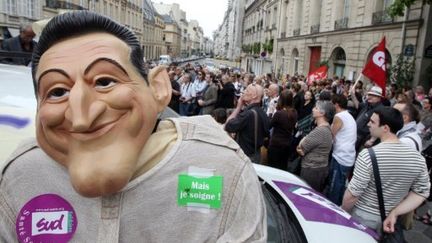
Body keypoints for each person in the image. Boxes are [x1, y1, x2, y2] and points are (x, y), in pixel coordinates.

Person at [0, 11, 266, 242]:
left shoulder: (222, 168)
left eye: (104, 82)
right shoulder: (20, 177)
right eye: (57, 91)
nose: (81, 117)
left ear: (158, 88)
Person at [342, 106, 430, 238]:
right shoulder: (418, 159)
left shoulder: (368, 155)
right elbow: (422, 192)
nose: (368, 124)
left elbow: (353, 195)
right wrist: (395, 212)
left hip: (363, 217)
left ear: (385, 128)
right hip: (391, 219)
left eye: (372, 122)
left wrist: (342, 211)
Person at [225, 84, 270, 163]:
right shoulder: (262, 113)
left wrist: (239, 106)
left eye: (247, 90)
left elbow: (228, 125)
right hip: (256, 155)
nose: (243, 92)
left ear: (254, 96)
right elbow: (266, 135)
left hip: (245, 157)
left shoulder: (248, 114)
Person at [296, 101, 335, 192]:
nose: (313, 109)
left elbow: (300, 149)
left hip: (312, 170)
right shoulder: (325, 128)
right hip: (316, 169)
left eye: (316, 108)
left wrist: (303, 140)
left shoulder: (320, 131)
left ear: (322, 113)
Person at [327, 94, 357, 205]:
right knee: (340, 186)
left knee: (334, 187)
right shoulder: (348, 115)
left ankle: (330, 210)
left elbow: (331, 135)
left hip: (340, 157)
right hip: (347, 156)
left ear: (336, 105)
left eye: (332, 103)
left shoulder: (339, 116)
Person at [267, 90, 297, 170]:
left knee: (272, 168)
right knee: (282, 167)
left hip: (276, 145)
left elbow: (269, 126)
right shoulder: (294, 112)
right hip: (287, 144)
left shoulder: (279, 114)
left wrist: (271, 112)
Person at [351, 85, 384, 151]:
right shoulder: (367, 104)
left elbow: (381, 126)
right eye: (369, 94)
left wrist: (371, 140)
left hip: (365, 140)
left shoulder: (381, 109)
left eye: (373, 95)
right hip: (356, 136)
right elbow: (357, 105)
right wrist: (352, 94)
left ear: (379, 98)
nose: (370, 96)